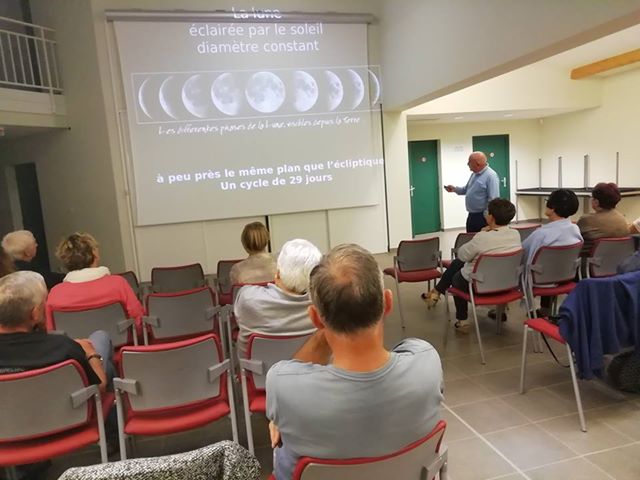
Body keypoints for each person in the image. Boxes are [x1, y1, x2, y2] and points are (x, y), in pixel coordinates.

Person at [266, 244, 443, 480]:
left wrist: (326, 330)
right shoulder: (426, 362)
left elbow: (291, 371)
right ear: (387, 303)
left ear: (316, 319)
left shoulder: (284, 385)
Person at [0, 271, 112, 393]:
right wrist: (92, 354)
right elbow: (98, 388)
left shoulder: (64, 346)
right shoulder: (63, 347)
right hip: (67, 411)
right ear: (35, 313)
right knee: (101, 340)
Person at [423, 198, 521, 333]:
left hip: (479, 285)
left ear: (491, 217)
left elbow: (462, 255)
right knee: (460, 265)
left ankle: (462, 321)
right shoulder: (515, 234)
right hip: (505, 283)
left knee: (457, 276)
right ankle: (436, 292)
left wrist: (481, 233)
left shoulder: (483, 237)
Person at [234, 239, 321, 357]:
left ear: (278, 274)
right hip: (311, 373)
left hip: (262, 375)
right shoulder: (324, 305)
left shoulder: (248, 299)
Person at [45, 233, 143, 331]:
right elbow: (138, 321)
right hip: (120, 344)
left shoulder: (56, 294)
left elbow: (51, 330)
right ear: (95, 254)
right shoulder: (118, 284)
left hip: (74, 345)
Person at [521, 189, 582, 317]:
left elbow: (521, 253)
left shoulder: (541, 234)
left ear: (553, 208)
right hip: (565, 277)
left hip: (540, 280)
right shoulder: (575, 230)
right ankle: (546, 309)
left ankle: (500, 311)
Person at [444, 151, 500, 232]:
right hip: (472, 215)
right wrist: (454, 189)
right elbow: (466, 189)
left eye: (469, 162)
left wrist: (487, 217)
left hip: (483, 217)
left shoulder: (491, 176)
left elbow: (493, 199)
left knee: (481, 242)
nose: (467, 164)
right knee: (471, 239)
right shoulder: (474, 174)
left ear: (478, 163)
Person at [577, 182, 628, 255]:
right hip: (618, 263)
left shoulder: (586, 220)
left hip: (593, 262)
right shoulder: (622, 219)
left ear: (596, 202)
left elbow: (574, 238)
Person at [229, 222, 277, 286]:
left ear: (244, 243)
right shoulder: (280, 264)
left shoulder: (237, 271)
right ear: (267, 239)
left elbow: (236, 294)